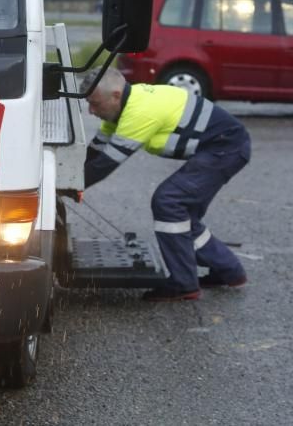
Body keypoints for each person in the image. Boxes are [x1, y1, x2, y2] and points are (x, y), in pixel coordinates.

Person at [81, 67, 250, 302]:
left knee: (169, 201)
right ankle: (228, 271)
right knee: (182, 216)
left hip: (226, 149)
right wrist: (66, 175)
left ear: (115, 96)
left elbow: (106, 164)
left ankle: (183, 285)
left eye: (95, 104)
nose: (91, 111)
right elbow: (96, 151)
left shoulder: (140, 112)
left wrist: (71, 187)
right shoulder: (121, 108)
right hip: (220, 147)